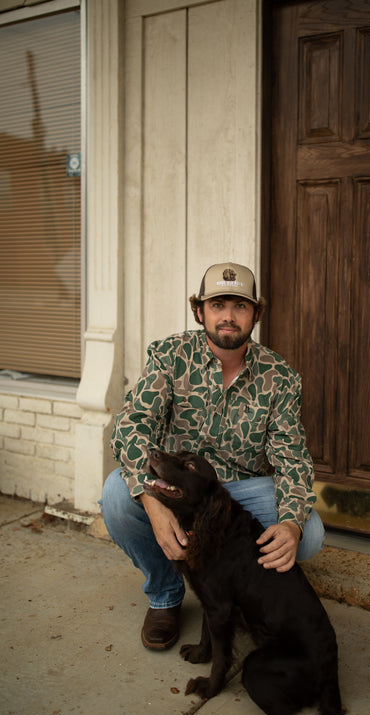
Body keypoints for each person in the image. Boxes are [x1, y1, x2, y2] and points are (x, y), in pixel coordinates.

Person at [101, 262, 324, 651]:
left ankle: (229, 594)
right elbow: (130, 427)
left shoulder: (280, 377)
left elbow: (293, 459)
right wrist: (153, 503)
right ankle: (165, 596)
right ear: (200, 311)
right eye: (218, 304)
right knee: (118, 497)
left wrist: (291, 524)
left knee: (310, 534)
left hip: (239, 494)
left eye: (240, 306)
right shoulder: (170, 356)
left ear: (256, 314)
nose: (228, 317)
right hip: (179, 488)